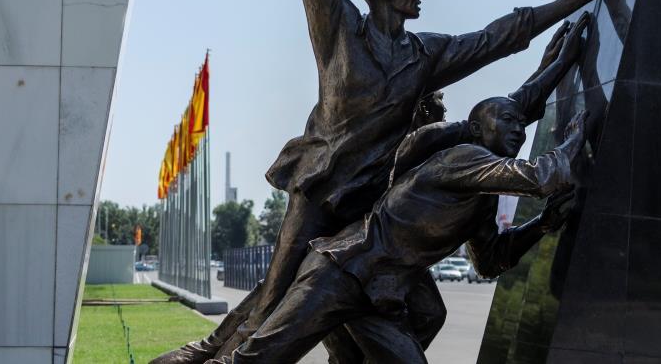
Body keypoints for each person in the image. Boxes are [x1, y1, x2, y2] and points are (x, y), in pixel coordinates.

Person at [151, 0, 618, 363]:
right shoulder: (339, 30)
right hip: (322, 189)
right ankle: (206, 355)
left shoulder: (427, 56)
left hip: (370, 208)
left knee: (417, 311)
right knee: (276, 295)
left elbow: (506, 34)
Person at [209, 20, 591, 363]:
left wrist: (542, 224)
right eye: (506, 122)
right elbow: (542, 175)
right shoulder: (460, 158)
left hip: (377, 296)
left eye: (520, 124)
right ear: (477, 130)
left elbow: (490, 260)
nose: (519, 130)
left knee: (424, 320)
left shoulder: (480, 195)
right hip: (338, 273)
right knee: (256, 360)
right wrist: (575, 137)